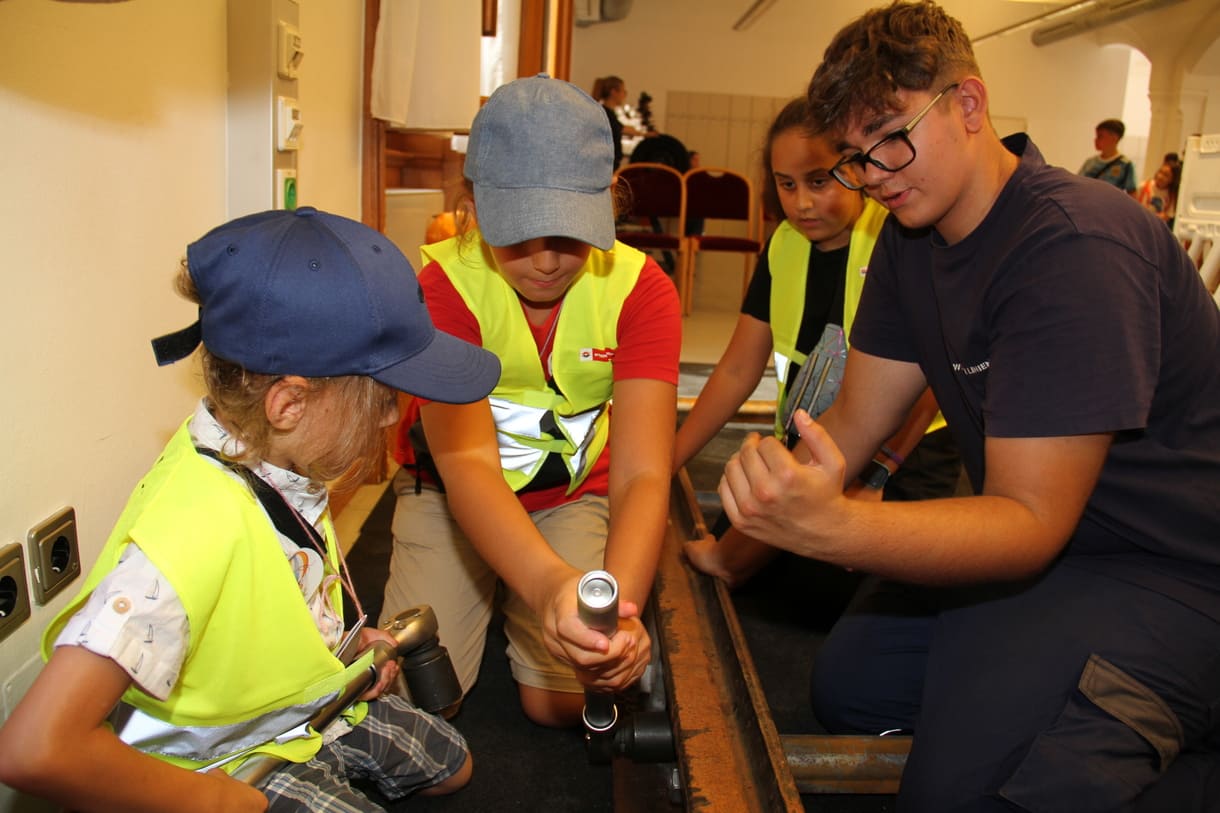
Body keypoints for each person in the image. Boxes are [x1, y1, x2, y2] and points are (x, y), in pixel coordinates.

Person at [719, 2, 1220, 810]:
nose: (874, 172)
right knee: (850, 687)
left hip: (1168, 575)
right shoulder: (910, 243)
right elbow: (847, 428)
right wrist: (736, 543)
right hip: (1048, 557)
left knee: (962, 798)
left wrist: (836, 525)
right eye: (854, 156)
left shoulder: (1074, 249)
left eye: (891, 135)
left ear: (970, 105)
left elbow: (1028, 522)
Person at [0, 207, 502, 812]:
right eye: (382, 397)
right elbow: (33, 748)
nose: (393, 416)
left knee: (457, 766)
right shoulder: (195, 529)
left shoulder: (282, 463)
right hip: (223, 760)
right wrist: (209, 801)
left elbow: (275, 595)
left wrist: (342, 648)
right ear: (289, 404)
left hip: (304, 704)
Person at [379, 75, 681, 729]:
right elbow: (470, 469)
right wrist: (546, 587)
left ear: (608, 203)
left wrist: (614, 613)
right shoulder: (443, 287)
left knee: (564, 702)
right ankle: (501, 593)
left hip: (570, 493)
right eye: (519, 234)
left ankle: (517, 601)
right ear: (474, 205)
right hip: (448, 496)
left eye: (569, 235)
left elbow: (642, 472)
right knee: (422, 706)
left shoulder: (644, 291)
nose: (545, 261)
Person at [675, 97, 960, 587]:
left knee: (830, 596)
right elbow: (738, 371)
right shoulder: (783, 244)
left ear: (855, 171)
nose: (802, 203)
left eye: (819, 181)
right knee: (750, 559)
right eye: (787, 185)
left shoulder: (898, 238)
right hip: (817, 444)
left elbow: (933, 376)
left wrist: (876, 478)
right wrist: (665, 463)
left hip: (904, 451)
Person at [592, 75, 648, 170]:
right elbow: (623, 129)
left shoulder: (607, 112)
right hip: (606, 164)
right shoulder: (605, 112)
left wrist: (643, 134)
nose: (625, 95)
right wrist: (646, 134)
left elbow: (622, 128)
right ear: (613, 92)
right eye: (623, 91)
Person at [1078, 117, 1138, 194]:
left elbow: (1132, 193)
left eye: (1100, 136)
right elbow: (1078, 185)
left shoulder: (1125, 165)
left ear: (1114, 137)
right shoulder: (1090, 162)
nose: (1096, 140)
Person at [1135, 155, 1182, 226]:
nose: (1160, 176)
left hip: (1157, 226)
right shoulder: (1143, 186)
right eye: (1160, 172)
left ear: (1172, 179)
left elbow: (1168, 214)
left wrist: (1159, 217)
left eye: (1166, 175)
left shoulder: (1171, 195)